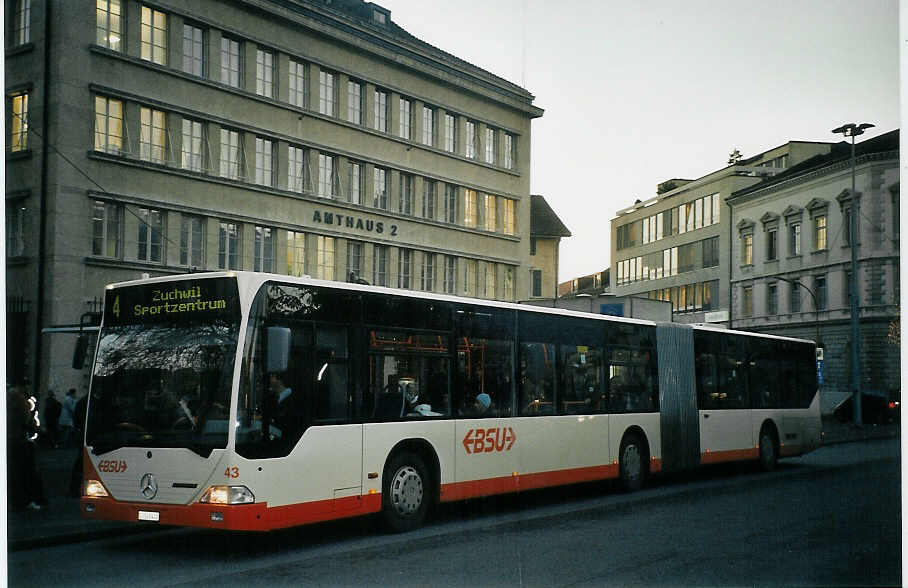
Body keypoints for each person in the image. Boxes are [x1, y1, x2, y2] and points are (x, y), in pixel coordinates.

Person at [7, 386, 46, 511]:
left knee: (14, 474)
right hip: (20, 443)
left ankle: (16, 501)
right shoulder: (21, 405)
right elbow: (29, 424)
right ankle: (26, 500)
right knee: (26, 473)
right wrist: (40, 431)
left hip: (11, 442)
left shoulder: (10, 405)